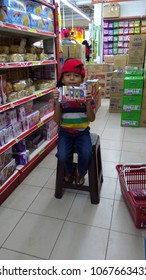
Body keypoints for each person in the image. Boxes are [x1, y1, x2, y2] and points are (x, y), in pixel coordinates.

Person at [53, 58, 96, 185]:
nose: (72, 79)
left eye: (76, 76)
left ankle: (80, 172)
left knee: (87, 153)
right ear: (62, 79)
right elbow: (56, 120)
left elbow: (92, 119)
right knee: (62, 155)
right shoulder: (61, 96)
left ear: (82, 80)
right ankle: (69, 171)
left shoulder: (86, 95)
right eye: (67, 75)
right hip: (65, 132)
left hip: (82, 132)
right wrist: (57, 103)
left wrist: (88, 102)